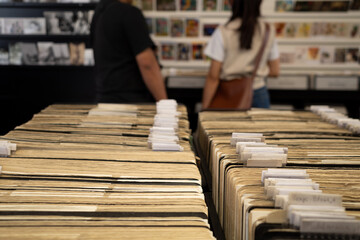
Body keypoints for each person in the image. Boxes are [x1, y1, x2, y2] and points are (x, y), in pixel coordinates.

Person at [201, 0, 280, 109]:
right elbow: (275, 71)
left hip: (229, 94)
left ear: (232, 3)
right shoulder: (268, 30)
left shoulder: (223, 31)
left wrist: (205, 108)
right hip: (259, 93)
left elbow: (213, 77)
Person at [90, 0, 167, 103]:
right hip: (131, 101)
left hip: (104, 99)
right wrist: (165, 104)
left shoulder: (99, 11)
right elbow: (147, 64)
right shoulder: (129, 13)